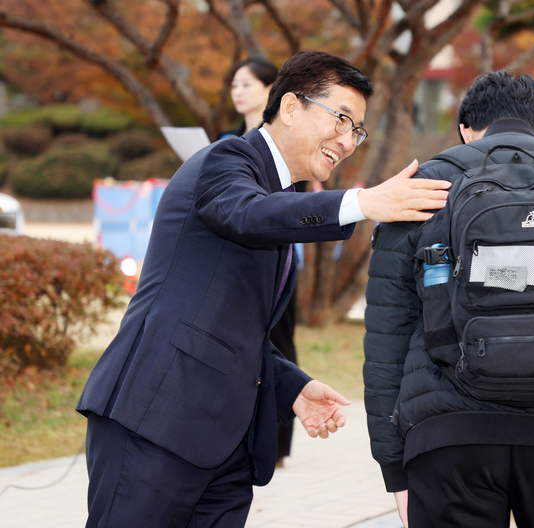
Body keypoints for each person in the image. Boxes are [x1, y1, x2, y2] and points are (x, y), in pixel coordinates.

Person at [77, 50, 451, 528]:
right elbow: (248, 215)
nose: (347, 141)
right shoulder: (226, 159)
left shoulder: (279, 194)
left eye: (357, 130)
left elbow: (234, 325)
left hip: (224, 449)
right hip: (154, 420)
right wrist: (363, 202)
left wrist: (293, 386)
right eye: (340, 119)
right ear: (291, 106)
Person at [363, 70, 534, 528]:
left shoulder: (422, 187)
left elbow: (386, 335)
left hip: (449, 435)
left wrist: (393, 465)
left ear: (465, 130)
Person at [216, 56, 300, 467]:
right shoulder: (226, 142)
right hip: (234, 258)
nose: (238, 91)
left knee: (279, 345)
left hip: (277, 256)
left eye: (246, 83)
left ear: (272, 91)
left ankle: (278, 441)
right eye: (234, 84)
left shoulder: (289, 144)